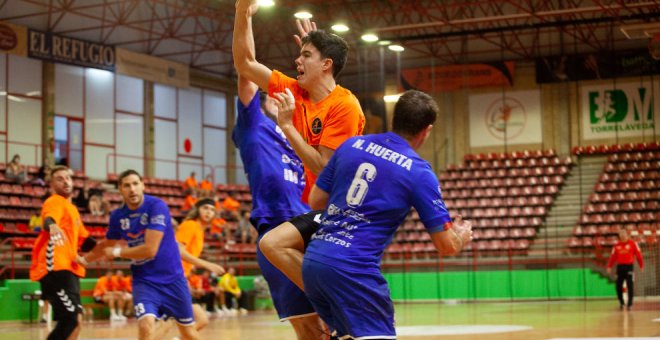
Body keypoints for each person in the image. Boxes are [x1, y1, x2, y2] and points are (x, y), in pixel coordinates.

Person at [301, 90, 473, 339]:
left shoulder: (351, 145)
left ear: (395, 118)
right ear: (427, 130)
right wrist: (461, 237)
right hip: (354, 271)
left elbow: (315, 199)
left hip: (315, 264)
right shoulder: (418, 171)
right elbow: (445, 246)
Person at [234, 0, 364, 296]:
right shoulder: (296, 90)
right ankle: (331, 301)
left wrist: (288, 126)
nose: (297, 61)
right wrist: (242, 13)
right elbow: (245, 64)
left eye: (305, 55)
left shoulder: (344, 106)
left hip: (344, 211)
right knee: (272, 245)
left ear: (326, 65)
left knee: (273, 244)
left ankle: (332, 300)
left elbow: (322, 166)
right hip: (318, 207)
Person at [231, 73, 326, 339]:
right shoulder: (253, 125)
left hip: (309, 226)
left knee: (335, 323)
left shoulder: (293, 138)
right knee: (310, 329)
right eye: (274, 97)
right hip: (277, 228)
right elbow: (246, 73)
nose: (282, 99)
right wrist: (245, 29)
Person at [79, 169, 198, 340]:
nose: (132, 189)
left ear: (143, 185)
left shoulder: (157, 206)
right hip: (145, 281)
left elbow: (150, 249)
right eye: (127, 185)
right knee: (145, 326)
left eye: (135, 184)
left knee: (189, 334)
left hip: (173, 279)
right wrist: (84, 260)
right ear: (120, 189)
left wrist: (118, 252)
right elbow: (107, 244)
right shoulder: (118, 216)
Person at [29, 165, 96, 340]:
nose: (65, 181)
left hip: (70, 267)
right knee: (71, 320)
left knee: (76, 322)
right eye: (60, 178)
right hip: (55, 267)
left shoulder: (72, 209)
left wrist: (111, 246)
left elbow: (85, 241)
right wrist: (52, 225)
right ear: (52, 185)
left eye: (68, 178)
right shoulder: (54, 201)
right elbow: (49, 219)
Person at [607, 228, 644, 311]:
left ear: (627, 235)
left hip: (629, 267)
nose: (623, 236)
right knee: (618, 286)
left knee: (630, 285)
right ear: (619, 236)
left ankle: (630, 304)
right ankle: (622, 303)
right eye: (621, 235)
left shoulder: (633, 244)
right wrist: (609, 266)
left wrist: (641, 265)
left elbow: (639, 255)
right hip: (620, 268)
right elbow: (613, 257)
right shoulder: (616, 246)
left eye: (624, 234)